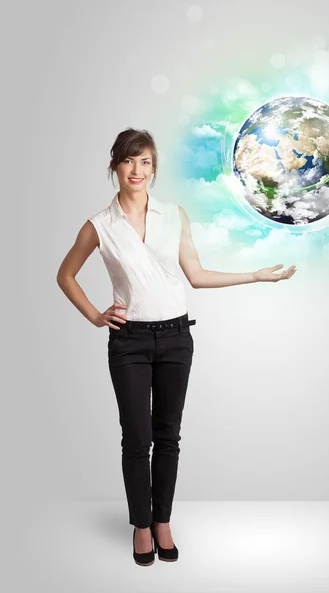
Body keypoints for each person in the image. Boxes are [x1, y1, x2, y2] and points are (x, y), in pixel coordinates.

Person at [56, 127, 297, 566]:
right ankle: (141, 526)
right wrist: (95, 314)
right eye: (129, 161)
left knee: (168, 436)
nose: (137, 169)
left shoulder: (174, 214)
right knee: (137, 439)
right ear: (115, 166)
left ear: (154, 168)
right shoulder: (100, 225)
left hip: (175, 338)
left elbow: (197, 275)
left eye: (145, 161)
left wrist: (256, 276)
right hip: (128, 343)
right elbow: (65, 274)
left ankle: (162, 520)